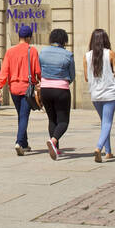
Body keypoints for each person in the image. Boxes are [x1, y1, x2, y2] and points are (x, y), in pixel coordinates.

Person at [0, 24, 41, 156]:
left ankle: (25, 143)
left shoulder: (10, 52)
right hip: (27, 88)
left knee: (21, 116)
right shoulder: (32, 51)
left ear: (19, 37)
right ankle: (19, 142)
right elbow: (38, 71)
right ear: (29, 38)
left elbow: (4, 71)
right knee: (24, 116)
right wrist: (41, 81)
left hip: (13, 89)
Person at [38, 28, 75, 160]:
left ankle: (56, 149)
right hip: (61, 89)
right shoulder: (68, 55)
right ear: (64, 40)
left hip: (45, 89)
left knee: (52, 119)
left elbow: (39, 69)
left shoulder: (42, 52)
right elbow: (72, 75)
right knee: (63, 121)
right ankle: (53, 141)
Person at [84, 28, 115, 163]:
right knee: (107, 122)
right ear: (105, 39)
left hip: (95, 95)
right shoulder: (111, 54)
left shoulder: (87, 56)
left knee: (104, 123)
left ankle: (109, 151)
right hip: (110, 93)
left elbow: (86, 78)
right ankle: (99, 147)